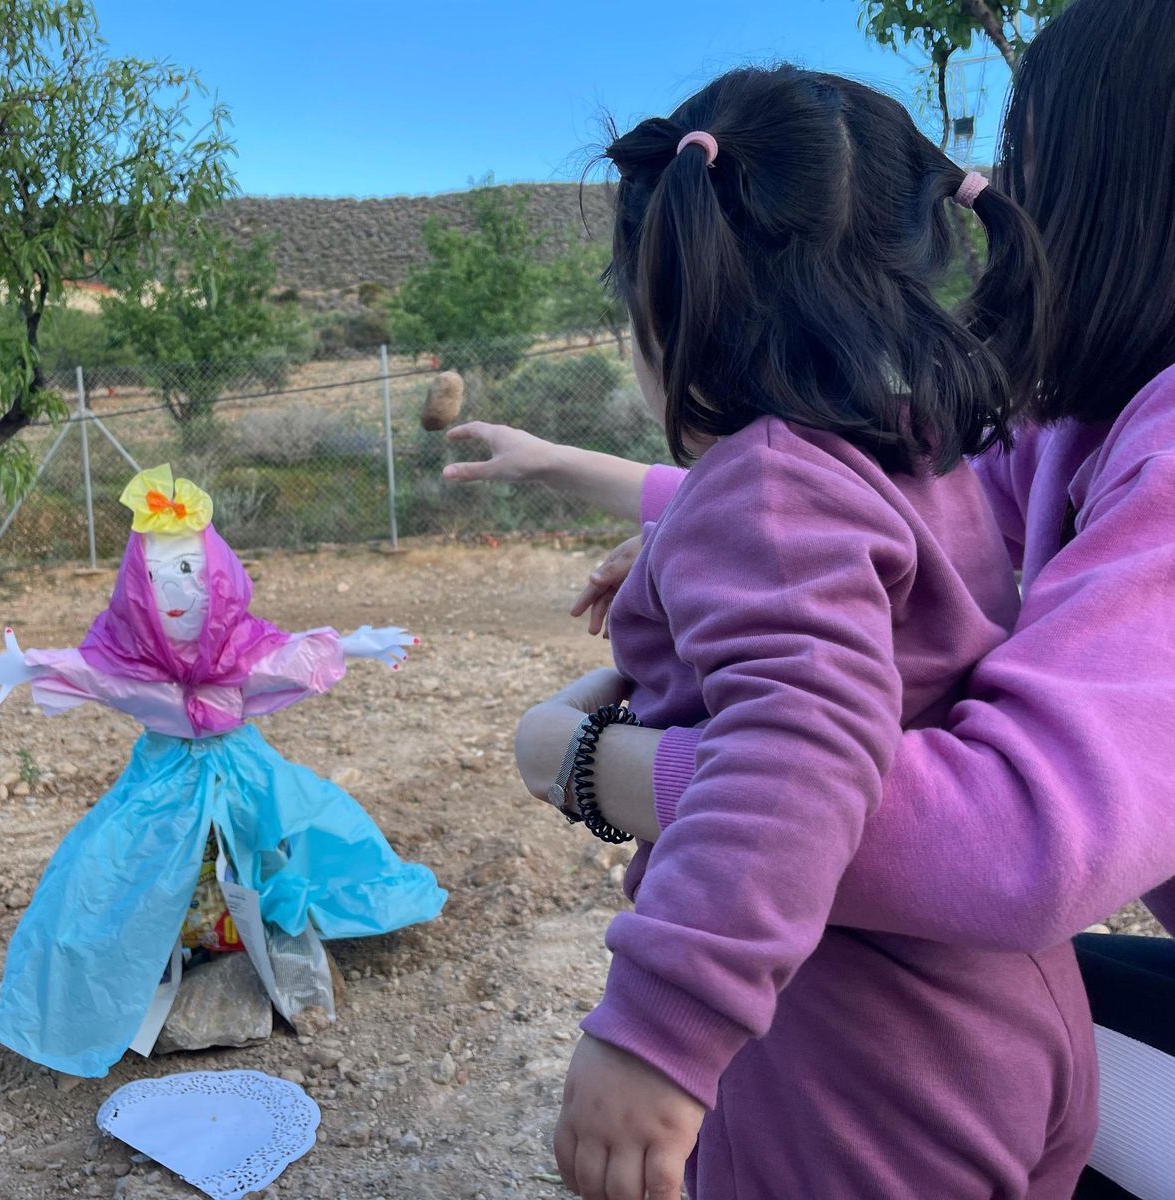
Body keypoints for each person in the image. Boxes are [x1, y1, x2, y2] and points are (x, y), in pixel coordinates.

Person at [453, 6, 1175, 1196]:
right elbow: (834, 539)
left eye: (1035, 159)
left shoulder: (787, 492)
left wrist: (654, 1002)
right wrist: (665, 531)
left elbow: (812, 750)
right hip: (1003, 1018)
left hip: (860, 1055)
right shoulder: (937, 451)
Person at [0, 466, 446, 1075]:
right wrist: (29, 666)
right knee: (108, 870)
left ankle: (265, 940)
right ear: (136, 585)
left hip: (240, 767)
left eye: (189, 570)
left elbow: (284, 657)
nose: (177, 588)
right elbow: (87, 670)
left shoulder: (237, 651)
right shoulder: (127, 663)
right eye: (159, 574)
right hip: (162, 781)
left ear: (216, 576)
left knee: (308, 827)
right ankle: (140, 970)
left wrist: (353, 644)